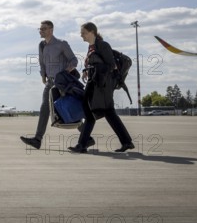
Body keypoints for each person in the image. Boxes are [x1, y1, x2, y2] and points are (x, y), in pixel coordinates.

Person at [69, 22, 134, 153]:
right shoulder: (91, 47)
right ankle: (84, 143)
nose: (81, 35)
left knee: (104, 112)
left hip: (102, 85)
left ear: (92, 32)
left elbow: (112, 65)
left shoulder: (103, 45)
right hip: (94, 82)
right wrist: (86, 71)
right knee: (92, 112)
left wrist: (96, 68)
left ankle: (83, 144)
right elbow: (94, 63)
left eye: (83, 32)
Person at [20, 20, 79, 150]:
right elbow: (41, 63)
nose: (41, 31)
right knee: (44, 109)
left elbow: (74, 60)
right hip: (49, 82)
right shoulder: (41, 45)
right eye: (40, 29)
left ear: (51, 30)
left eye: (43, 29)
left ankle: (87, 136)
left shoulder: (61, 44)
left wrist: (64, 73)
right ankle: (37, 139)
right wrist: (43, 75)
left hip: (61, 82)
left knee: (65, 108)